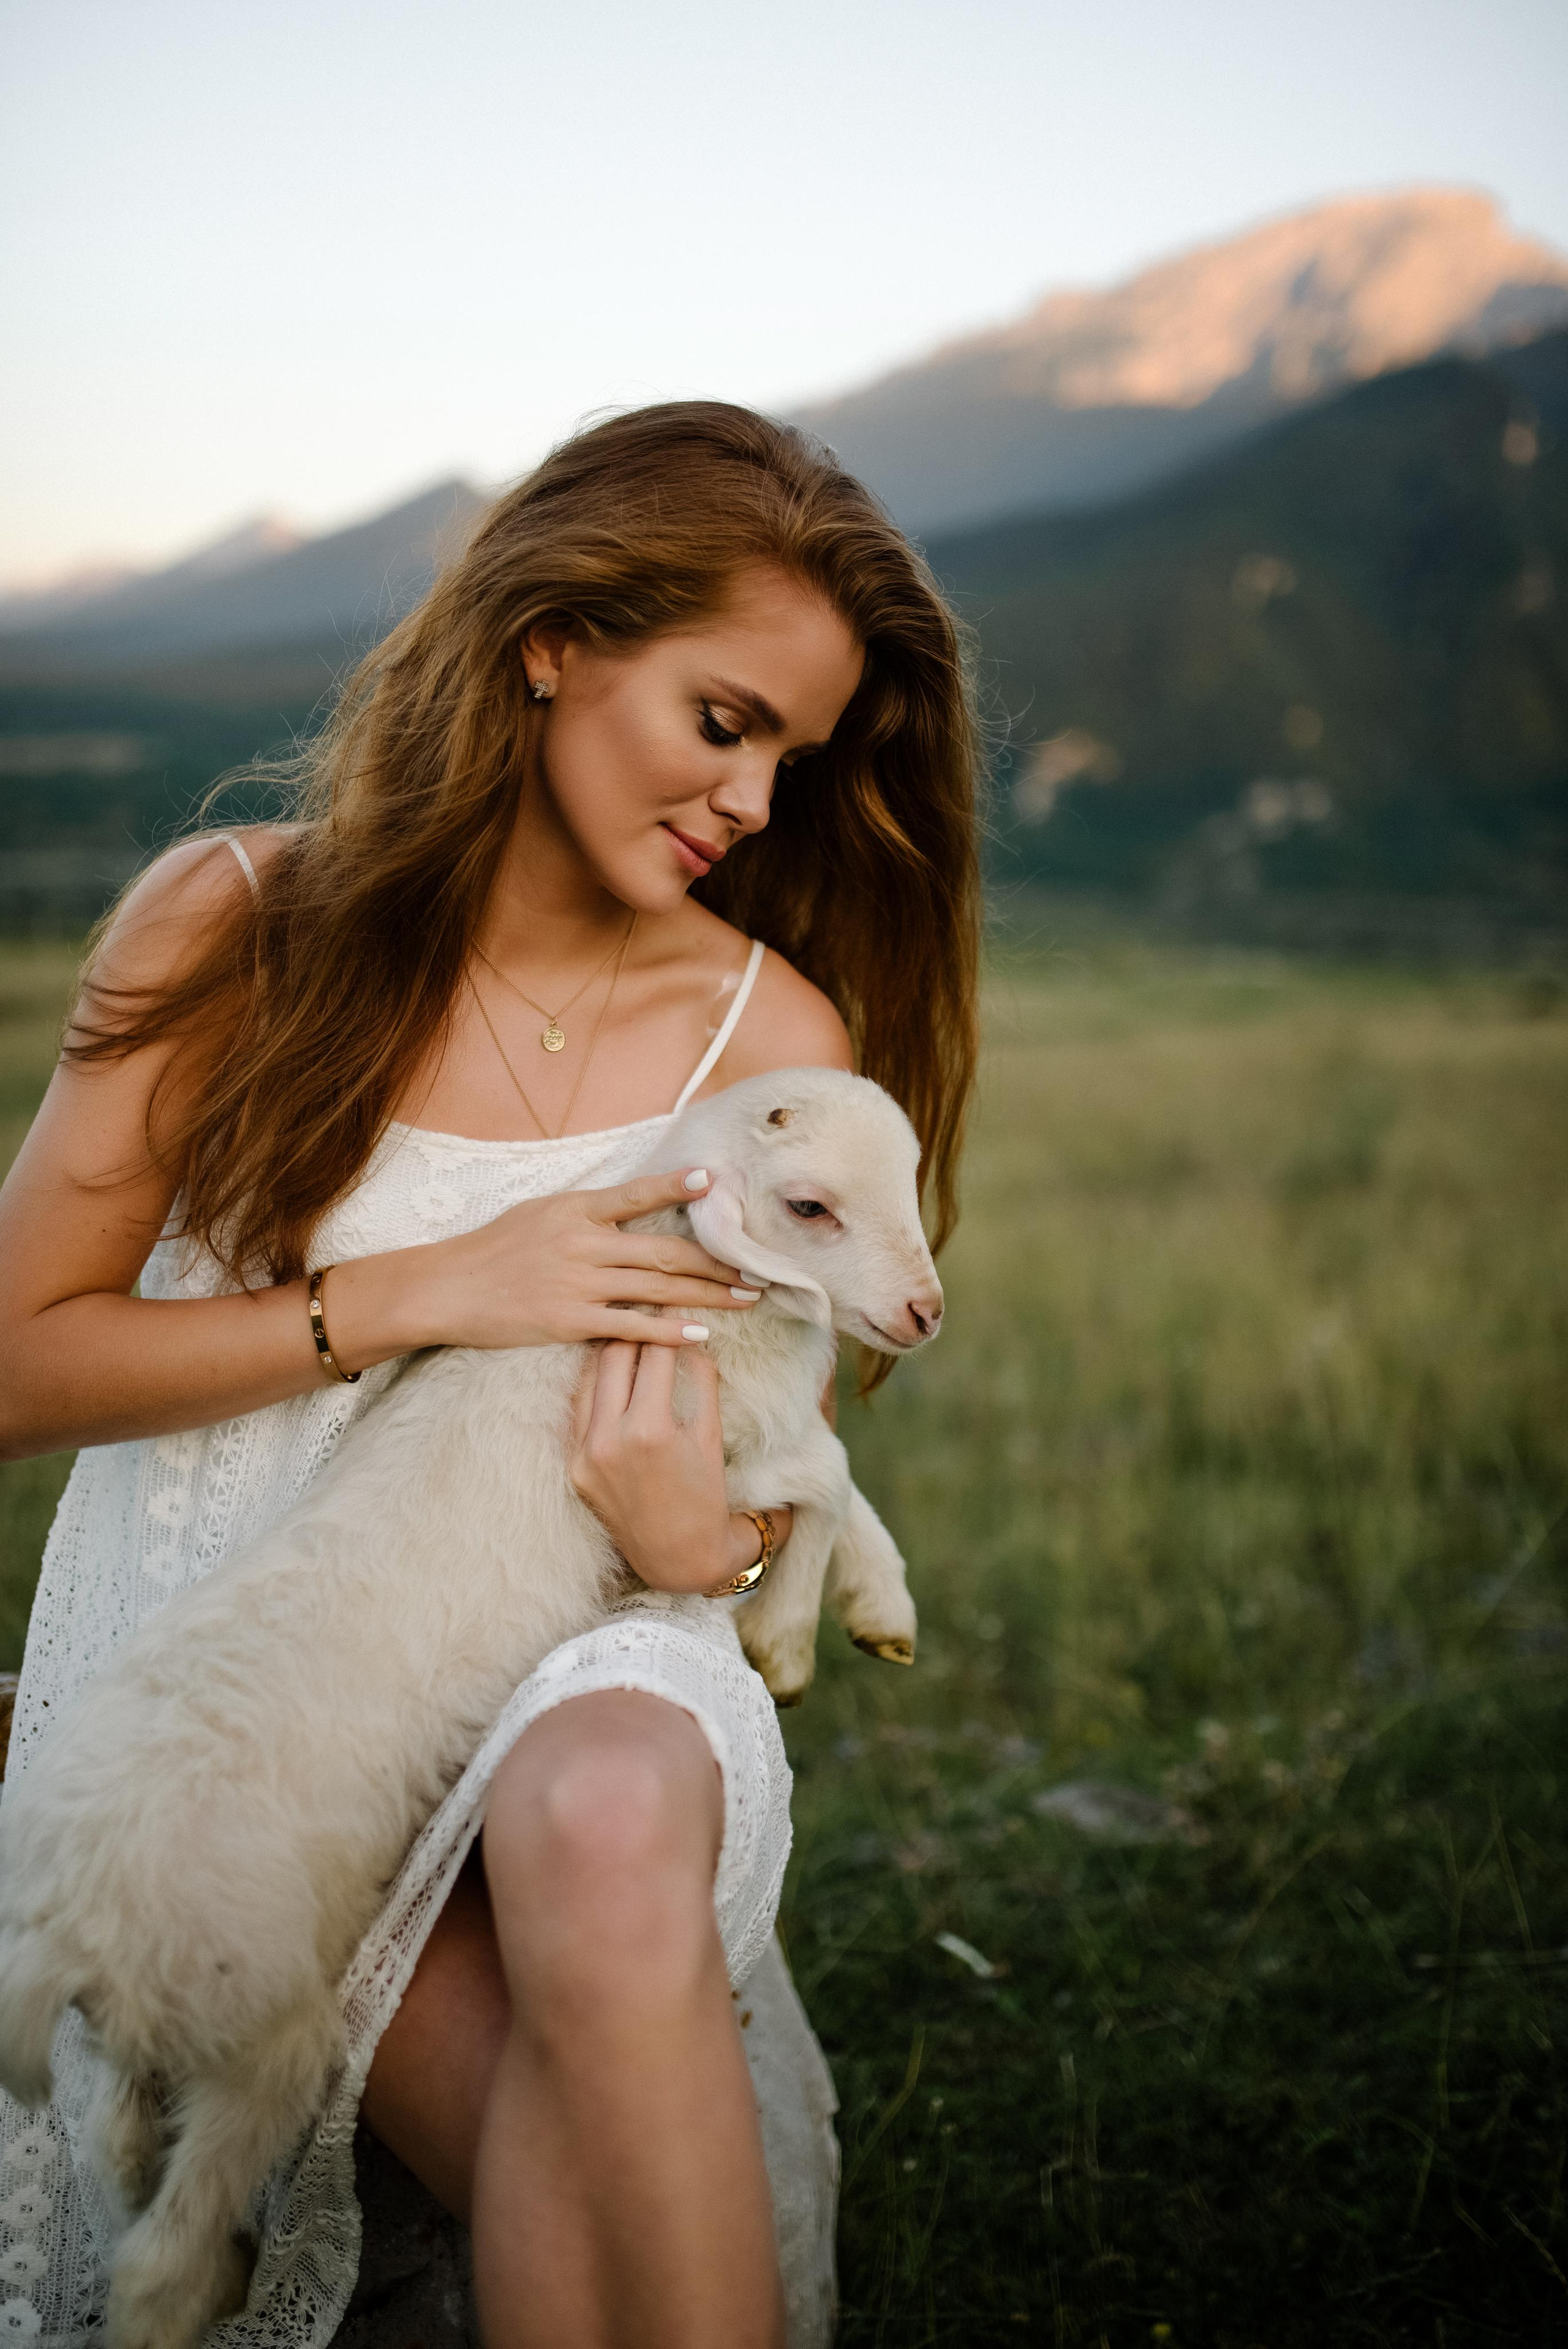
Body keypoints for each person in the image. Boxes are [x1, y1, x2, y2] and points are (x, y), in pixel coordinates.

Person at [0, 402, 979, 2348]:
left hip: (573, 1640)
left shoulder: (767, 1031)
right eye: (726, 721)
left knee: (611, 1790)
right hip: (252, 1665)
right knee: (574, 2135)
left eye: (795, 754)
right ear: (553, 637)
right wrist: (425, 1286)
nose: (758, 804)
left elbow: (745, 1431)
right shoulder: (239, 921)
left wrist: (698, 1546)